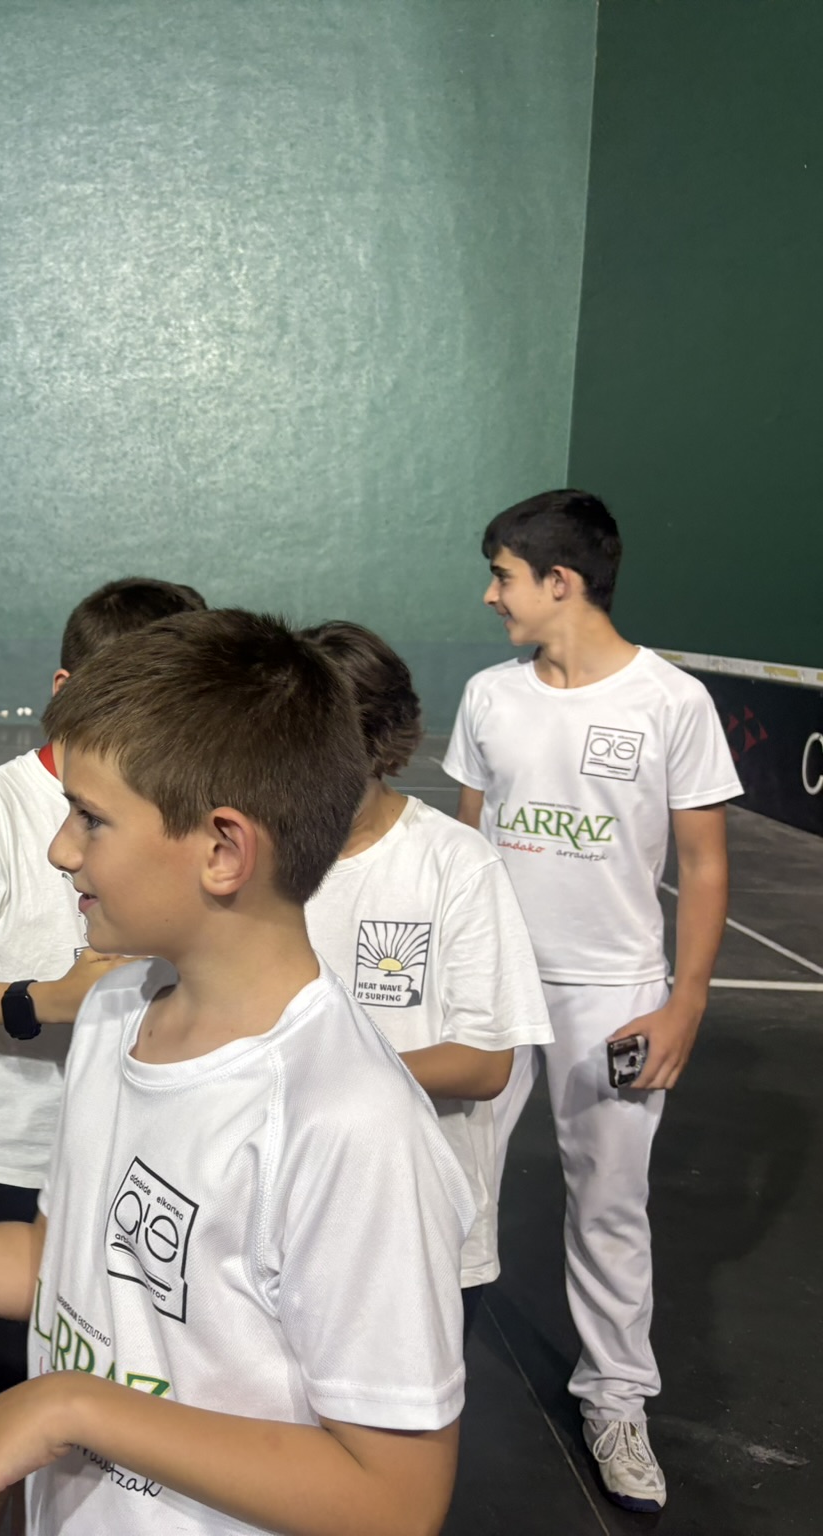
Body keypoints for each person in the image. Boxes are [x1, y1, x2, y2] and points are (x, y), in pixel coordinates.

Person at [0, 610, 471, 1536]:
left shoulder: (350, 1122)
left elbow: (395, 1498)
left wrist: (73, 1406)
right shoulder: (112, 1013)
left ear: (224, 851)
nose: (61, 848)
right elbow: (59, 1264)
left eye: (91, 819)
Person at [0, 575, 203, 1536]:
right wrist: (42, 1000)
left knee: (112, 1392)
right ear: (67, 690)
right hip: (3, 1154)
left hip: (129, 1156)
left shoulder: (175, 808)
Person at [445, 490, 740, 1512]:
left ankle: (615, 1401)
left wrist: (684, 1001)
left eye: (502, 576)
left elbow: (704, 864)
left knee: (610, 1207)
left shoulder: (671, 703)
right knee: (443, 1185)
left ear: (558, 582)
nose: (491, 596)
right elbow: (465, 847)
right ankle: (405, 1374)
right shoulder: (488, 696)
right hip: (492, 987)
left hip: (613, 995)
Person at [300, 621, 552, 1334]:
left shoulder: (455, 866)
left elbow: (484, 1063)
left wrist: (311, 1074)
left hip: (417, 1233)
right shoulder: (250, 856)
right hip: (280, 1221)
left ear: (376, 738)